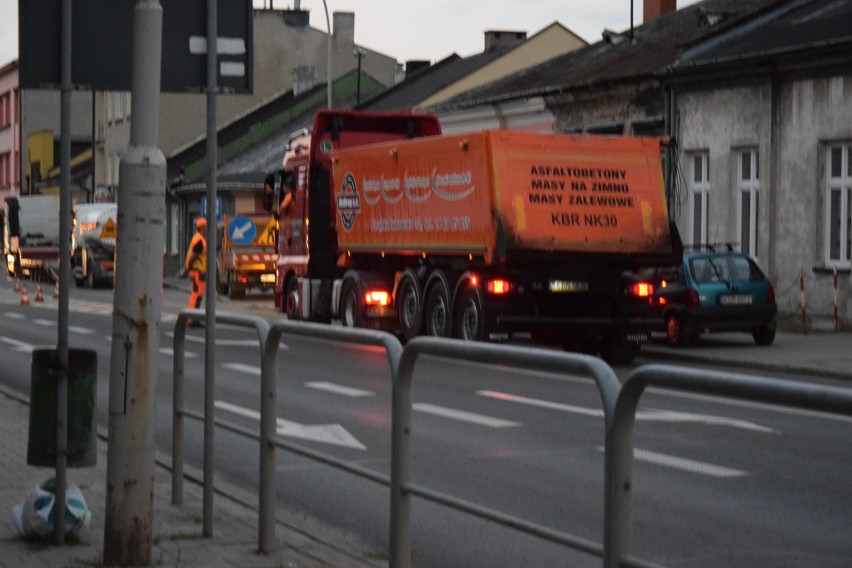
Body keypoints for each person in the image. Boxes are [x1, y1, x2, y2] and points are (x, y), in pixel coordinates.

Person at [184, 217, 207, 326]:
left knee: (196, 295)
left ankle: (192, 318)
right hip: (198, 272)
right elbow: (194, 255)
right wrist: (188, 267)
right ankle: (192, 319)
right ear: (202, 227)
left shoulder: (197, 238)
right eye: (206, 226)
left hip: (197, 271)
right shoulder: (199, 240)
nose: (207, 228)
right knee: (197, 296)